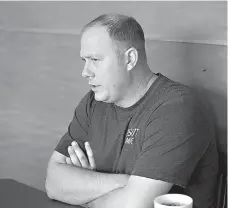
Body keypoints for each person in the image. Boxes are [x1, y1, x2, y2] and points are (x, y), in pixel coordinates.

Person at [45, 13, 219, 208]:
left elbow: (135, 205)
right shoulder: (93, 103)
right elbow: (53, 183)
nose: (85, 72)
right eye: (84, 61)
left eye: (95, 59)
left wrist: (84, 192)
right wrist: (128, 184)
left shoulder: (177, 108)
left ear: (130, 59)